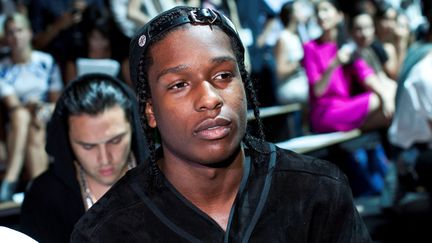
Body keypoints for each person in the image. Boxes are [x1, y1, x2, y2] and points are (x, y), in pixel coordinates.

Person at [71, 6, 371, 242]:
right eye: (179, 85)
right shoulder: (106, 232)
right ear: (150, 110)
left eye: (223, 76)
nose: (210, 98)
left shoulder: (317, 190)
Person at [20, 73, 148, 243]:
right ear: (67, 140)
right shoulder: (45, 197)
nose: (104, 158)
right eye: (88, 146)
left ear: (133, 128)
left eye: (115, 141)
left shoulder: (171, 177)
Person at [0, 13, 63, 201]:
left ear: (28, 32)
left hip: (44, 116)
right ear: (6, 37)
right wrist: (33, 107)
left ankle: (10, 180)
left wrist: (41, 108)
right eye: (10, 32)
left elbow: (56, 103)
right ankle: (40, 191)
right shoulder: (2, 68)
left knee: (34, 123)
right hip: (16, 123)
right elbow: (12, 105)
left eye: (19, 30)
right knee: (23, 118)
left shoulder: (46, 61)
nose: (15, 36)